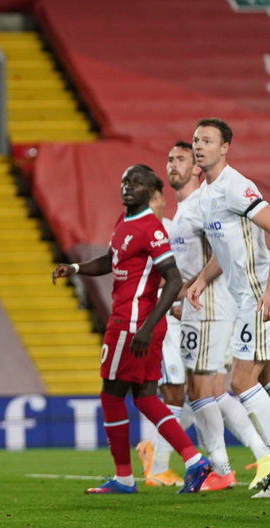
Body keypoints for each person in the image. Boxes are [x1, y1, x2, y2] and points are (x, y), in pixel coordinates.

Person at [52, 164, 211, 494]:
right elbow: (111, 261)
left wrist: (146, 327)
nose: (128, 187)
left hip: (132, 324)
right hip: (135, 323)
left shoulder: (150, 228)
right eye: (125, 181)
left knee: (111, 396)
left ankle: (124, 477)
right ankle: (194, 460)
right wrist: (76, 267)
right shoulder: (124, 223)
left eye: (137, 183)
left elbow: (174, 280)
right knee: (145, 397)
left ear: (152, 192)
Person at [148, 141, 270, 492]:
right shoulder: (188, 210)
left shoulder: (210, 201)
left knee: (209, 389)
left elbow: (236, 241)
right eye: (169, 158)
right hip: (203, 304)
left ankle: (227, 465)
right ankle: (241, 462)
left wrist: (198, 285)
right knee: (216, 390)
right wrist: (192, 285)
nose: (173, 165)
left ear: (197, 169)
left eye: (182, 158)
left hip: (215, 308)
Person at [186, 118, 270, 496]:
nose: (199, 146)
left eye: (207, 140)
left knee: (240, 382)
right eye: (195, 140)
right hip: (243, 297)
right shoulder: (205, 195)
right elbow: (224, 249)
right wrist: (203, 279)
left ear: (225, 148)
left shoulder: (237, 187)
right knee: (263, 382)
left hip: (257, 295)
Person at [135, 188, 193, 487]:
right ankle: (157, 465)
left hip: (180, 318)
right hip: (163, 322)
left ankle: (154, 449)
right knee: (174, 393)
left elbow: (178, 274)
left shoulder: (171, 228)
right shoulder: (134, 231)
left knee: (196, 395)